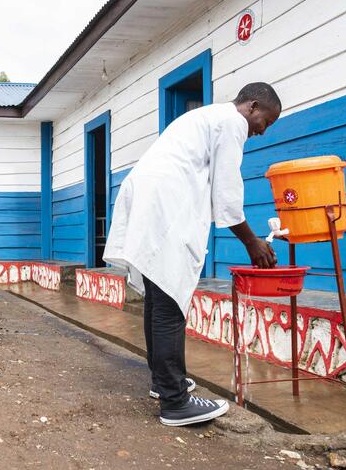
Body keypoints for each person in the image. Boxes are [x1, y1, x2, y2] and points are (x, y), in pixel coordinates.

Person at [103, 82, 281, 426]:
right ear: (253, 107)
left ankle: (164, 382)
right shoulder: (232, 123)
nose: (261, 131)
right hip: (165, 200)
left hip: (149, 194)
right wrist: (252, 243)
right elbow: (226, 193)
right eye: (266, 122)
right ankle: (176, 403)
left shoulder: (207, 116)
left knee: (158, 297)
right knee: (169, 301)